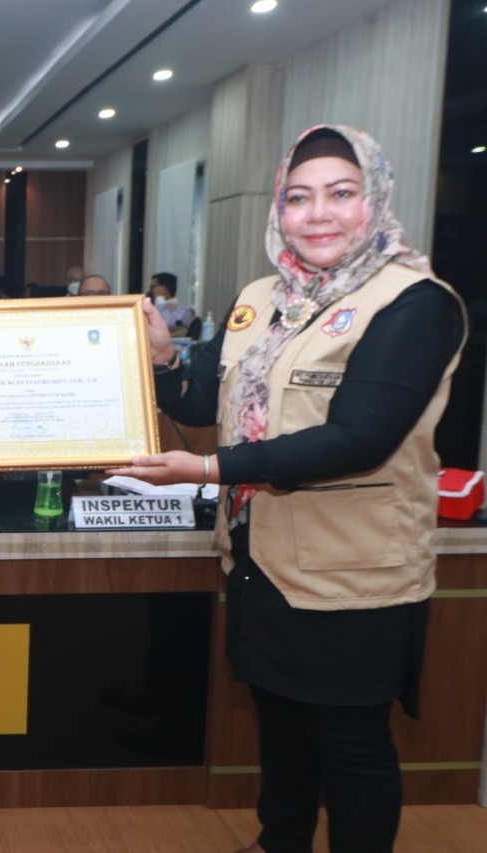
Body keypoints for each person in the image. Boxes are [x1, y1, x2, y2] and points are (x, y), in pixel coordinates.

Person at [109, 125, 466, 853]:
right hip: (262, 563)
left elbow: (358, 438)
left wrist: (206, 470)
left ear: (375, 199)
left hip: (354, 577)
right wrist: (166, 360)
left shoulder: (414, 303)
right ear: (280, 207)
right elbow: (205, 400)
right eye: (299, 198)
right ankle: (280, 842)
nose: (318, 213)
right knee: (281, 729)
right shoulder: (264, 297)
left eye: (341, 193)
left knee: (350, 745)